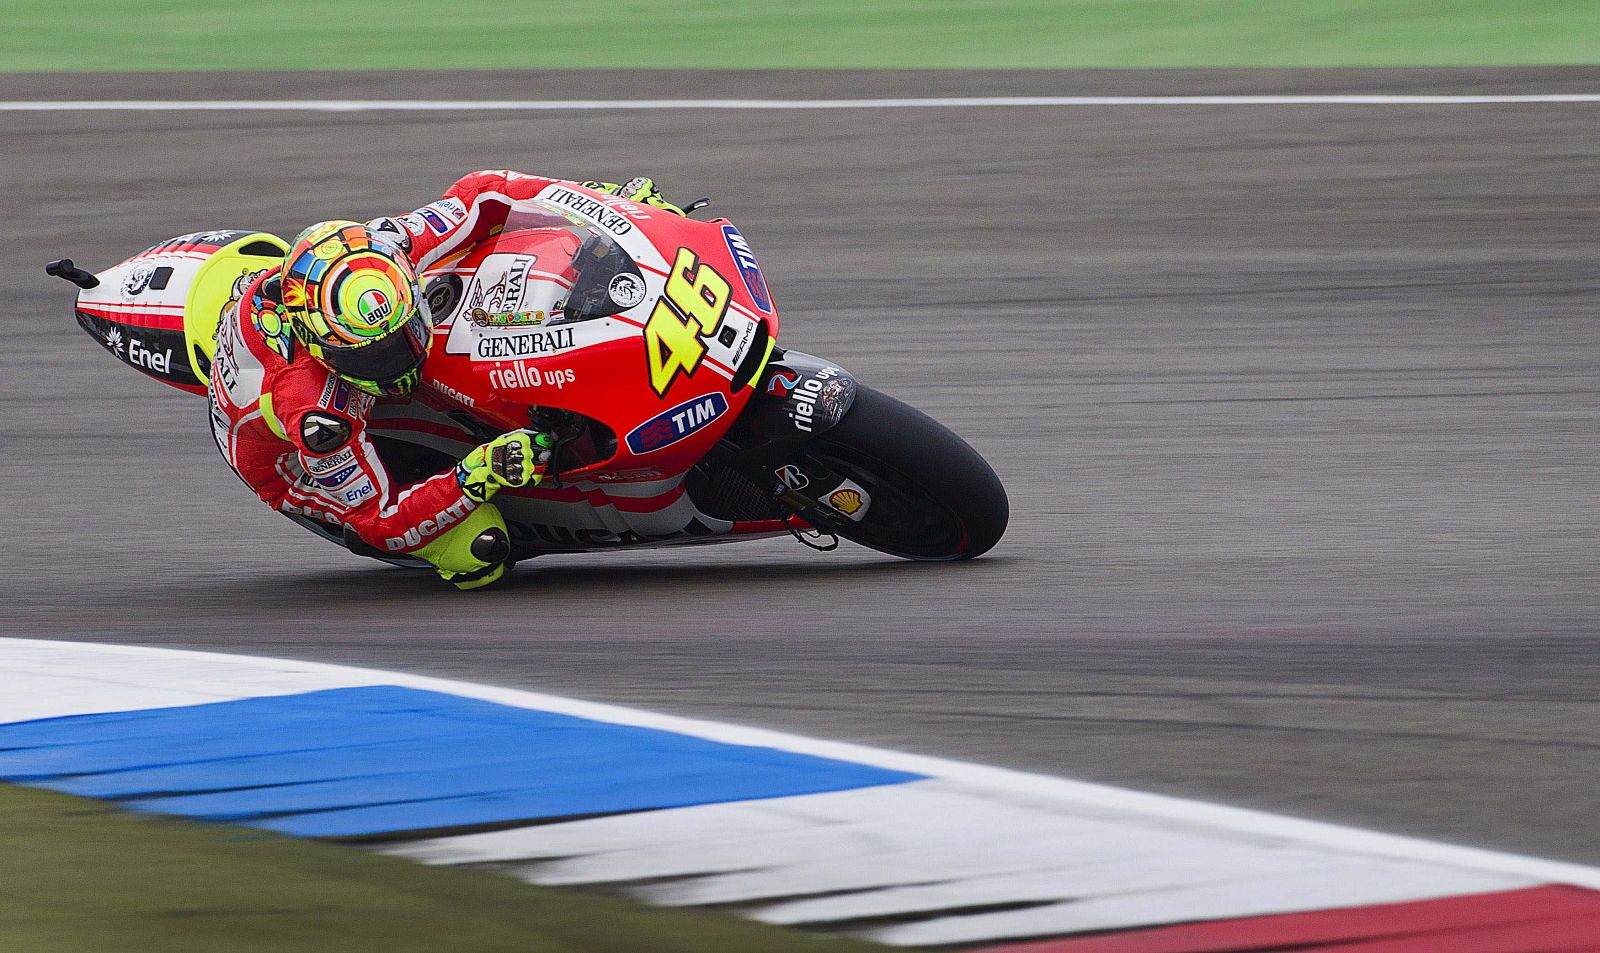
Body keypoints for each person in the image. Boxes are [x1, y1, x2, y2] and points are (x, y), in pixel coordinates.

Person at [206, 171, 686, 589]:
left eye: (404, 336)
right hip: (291, 470)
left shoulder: (383, 248)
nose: (399, 363)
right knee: (481, 552)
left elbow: (487, 191)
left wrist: (606, 205)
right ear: (322, 350)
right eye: (376, 358)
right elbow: (380, 521)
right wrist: (478, 473)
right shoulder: (317, 416)